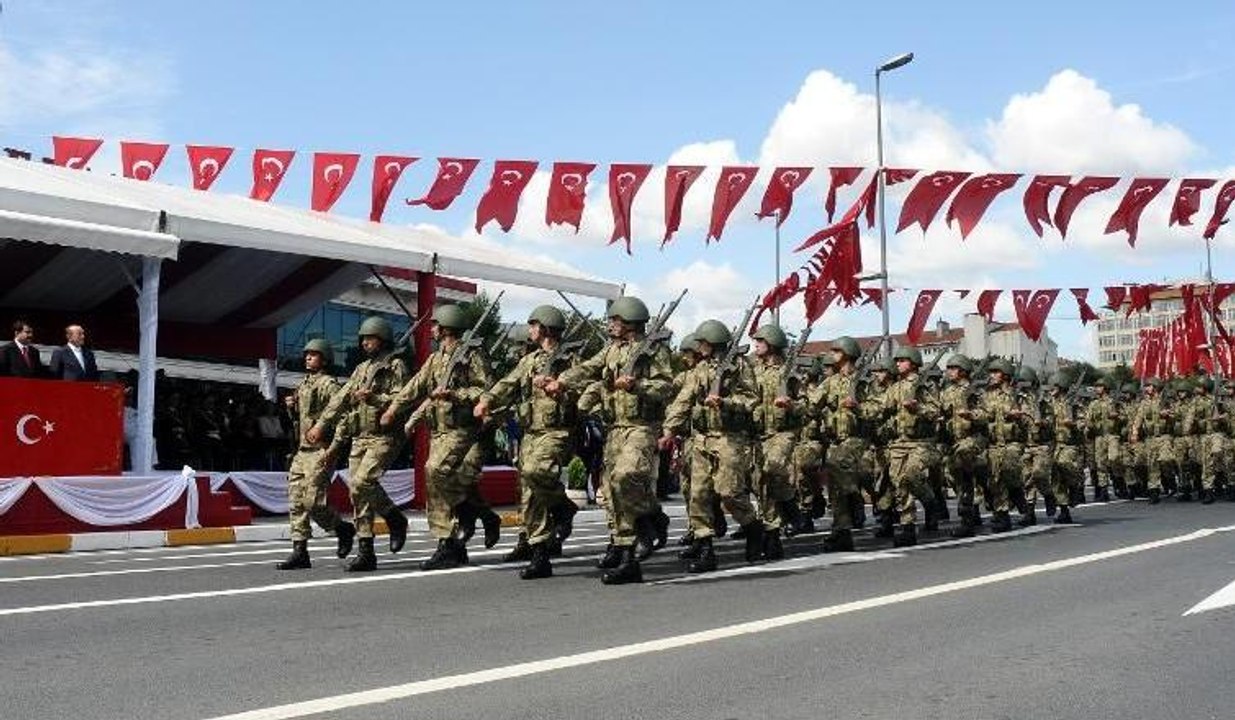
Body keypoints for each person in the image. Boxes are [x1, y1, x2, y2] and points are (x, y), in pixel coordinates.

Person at [548, 296, 674, 585]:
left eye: (616, 319)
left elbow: (666, 387)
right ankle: (627, 553)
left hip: (641, 427)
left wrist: (637, 385)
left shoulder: (654, 351)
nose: (611, 324)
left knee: (624, 476)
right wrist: (562, 381)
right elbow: (587, 369)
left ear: (630, 321)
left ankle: (648, 520)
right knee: (611, 491)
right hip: (614, 428)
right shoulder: (611, 350)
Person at [381, 304, 497, 572]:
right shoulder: (435, 359)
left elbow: (486, 390)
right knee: (441, 481)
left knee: (434, 471)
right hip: (439, 432)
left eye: (435, 325)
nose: (432, 329)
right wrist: (394, 409)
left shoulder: (471, 355)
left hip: (462, 429)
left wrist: (455, 394)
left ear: (445, 328)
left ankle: (449, 537)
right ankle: (468, 528)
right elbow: (415, 387)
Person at [474, 305, 579, 580]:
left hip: (556, 431)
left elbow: (583, 392)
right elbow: (507, 384)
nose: (530, 329)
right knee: (530, 495)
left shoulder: (570, 359)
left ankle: (563, 506)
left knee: (536, 471)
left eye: (534, 325)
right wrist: (487, 400)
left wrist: (560, 388)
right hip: (530, 433)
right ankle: (539, 554)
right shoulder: (529, 360)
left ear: (546, 327)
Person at [307, 316, 410, 572]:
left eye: (370, 338)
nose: (365, 343)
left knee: (364, 481)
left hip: (384, 436)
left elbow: (402, 400)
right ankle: (366, 551)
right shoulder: (361, 369)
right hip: (360, 436)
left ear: (383, 340)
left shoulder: (395, 365)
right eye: (363, 339)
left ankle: (395, 518)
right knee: (357, 492)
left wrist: (374, 398)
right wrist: (321, 425)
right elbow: (340, 399)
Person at [661, 319, 761, 573]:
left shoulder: (739, 365)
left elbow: (751, 399)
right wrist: (669, 430)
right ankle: (705, 548)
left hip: (729, 437)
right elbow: (684, 399)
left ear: (713, 341)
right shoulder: (700, 368)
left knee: (729, 492)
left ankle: (753, 529)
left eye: (703, 342)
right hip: (702, 438)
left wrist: (725, 402)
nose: (699, 346)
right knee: (699, 495)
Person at [276, 339, 356, 570]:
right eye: (307, 354)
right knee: (296, 501)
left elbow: (344, 418)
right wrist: (291, 408)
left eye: (314, 354)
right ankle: (300, 551)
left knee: (313, 501)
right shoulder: (303, 385)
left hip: (321, 450)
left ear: (325, 359)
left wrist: (333, 448)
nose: (308, 357)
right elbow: (301, 420)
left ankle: (342, 529)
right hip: (302, 450)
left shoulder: (329, 385)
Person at [749, 324, 803, 560]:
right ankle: (772, 533)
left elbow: (807, 406)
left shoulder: (789, 372)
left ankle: (790, 506)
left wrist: (791, 404)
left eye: (760, 341)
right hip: (758, 434)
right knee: (760, 481)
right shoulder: (752, 371)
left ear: (771, 344)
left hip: (782, 433)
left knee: (771, 469)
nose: (756, 344)